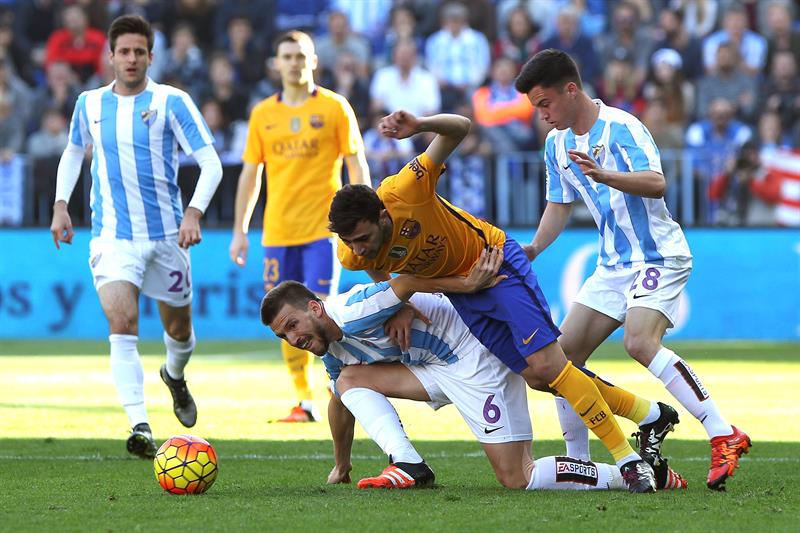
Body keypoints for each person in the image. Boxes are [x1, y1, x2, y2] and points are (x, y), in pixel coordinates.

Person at [328, 111, 674, 493]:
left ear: (381, 215)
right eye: (350, 242)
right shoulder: (353, 252)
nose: (357, 249)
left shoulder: (406, 188)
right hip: (466, 291)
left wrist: (421, 125)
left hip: (495, 263)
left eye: (362, 237)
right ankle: (650, 414)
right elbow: (379, 267)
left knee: (549, 364)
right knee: (535, 376)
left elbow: (460, 127)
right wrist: (405, 304)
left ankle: (627, 460)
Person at [513, 48, 751, 491]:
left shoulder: (622, 127)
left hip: (659, 255)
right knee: (558, 361)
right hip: (612, 265)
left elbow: (656, 181)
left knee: (639, 341)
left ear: (571, 89)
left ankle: (722, 431)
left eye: (545, 104)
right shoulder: (556, 143)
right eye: (535, 108)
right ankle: (579, 462)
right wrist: (535, 248)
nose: (541, 115)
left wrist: (605, 176)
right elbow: (559, 204)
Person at [259, 257, 688, 492]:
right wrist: (342, 463)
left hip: (469, 351)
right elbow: (340, 400)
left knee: (518, 475)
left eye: (293, 325)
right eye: (284, 335)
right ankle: (407, 464)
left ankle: (644, 472)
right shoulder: (328, 349)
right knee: (346, 382)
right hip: (434, 367)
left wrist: (465, 284)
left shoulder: (352, 310)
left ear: (314, 308)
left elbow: (406, 280)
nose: (293, 338)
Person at [49, 15, 223, 458]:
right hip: (112, 236)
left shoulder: (172, 102)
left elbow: (211, 163)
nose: (130, 59)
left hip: (168, 236)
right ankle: (140, 424)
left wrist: (193, 214)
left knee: (179, 332)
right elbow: (73, 151)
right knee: (121, 324)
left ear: (150, 55)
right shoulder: (88, 104)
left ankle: (175, 376)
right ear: (110, 56)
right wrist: (61, 205)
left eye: (138, 52)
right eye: (123, 51)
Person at [229, 30, 370, 423]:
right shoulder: (263, 114)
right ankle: (303, 400)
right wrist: (241, 229)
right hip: (276, 233)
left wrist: (365, 214)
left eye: (299, 55)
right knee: (282, 317)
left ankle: (334, 382)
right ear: (277, 64)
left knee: (317, 310)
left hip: (322, 232)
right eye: (286, 56)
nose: (293, 62)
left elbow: (355, 163)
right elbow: (250, 174)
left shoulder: (335, 108)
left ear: (313, 61)